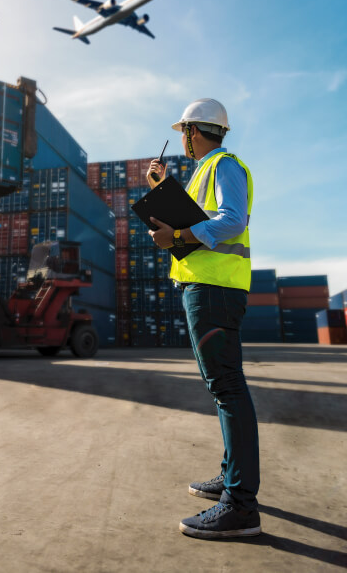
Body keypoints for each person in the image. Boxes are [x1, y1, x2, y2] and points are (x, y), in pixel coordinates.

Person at [147, 98, 260, 539]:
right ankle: (230, 478)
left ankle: (240, 506)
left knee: (228, 389)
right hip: (204, 287)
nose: (181, 138)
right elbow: (197, 219)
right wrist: (163, 188)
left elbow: (231, 220)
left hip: (216, 290)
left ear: (194, 131)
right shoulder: (203, 171)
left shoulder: (225, 165)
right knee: (223, 389)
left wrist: (177, 234)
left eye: (183, 131)